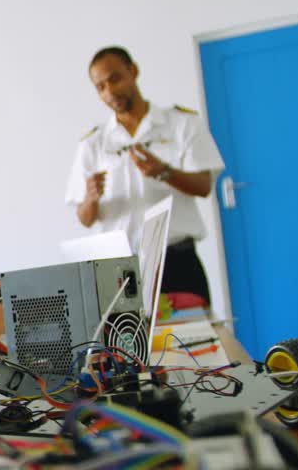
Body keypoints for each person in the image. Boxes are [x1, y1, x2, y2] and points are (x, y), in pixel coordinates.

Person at [66, 46, 225, 305]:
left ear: (133, 70)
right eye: (101, 87)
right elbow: (84, 218)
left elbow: (204, 186)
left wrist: (165, 172)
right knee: (125, 345)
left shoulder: (182, 124)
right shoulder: (93, 143)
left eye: (115, 79)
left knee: (192, 341)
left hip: (176, 262)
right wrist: (91, 199)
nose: (110, 92)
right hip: (119, 269)